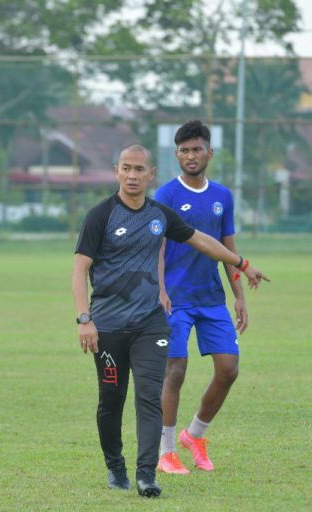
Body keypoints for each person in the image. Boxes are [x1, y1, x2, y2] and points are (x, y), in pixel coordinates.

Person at [71, 144, 268, 498]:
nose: (132, 176)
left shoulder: (160, 215)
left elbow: (203, 242)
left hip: (151, 324)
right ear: (117, 170)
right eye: (126, 168)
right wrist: (85, 319)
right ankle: (115, 465)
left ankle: (148, 473)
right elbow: (80, 268)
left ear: (151, 175)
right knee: (111, 401)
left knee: (150, 396)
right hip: (109, 326)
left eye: (139, 170)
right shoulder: (100, 215)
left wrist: (240, 263)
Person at [154, 119, 259, 474]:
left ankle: (195, 434)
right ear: (176, 155)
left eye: (197, 149)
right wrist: (161, 290)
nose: (191, 155)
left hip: (211, 298)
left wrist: (239, 296)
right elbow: (158, 249)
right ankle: (166, 450)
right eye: (184, 150)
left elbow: (228, 248)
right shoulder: (166, 195)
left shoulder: (222, 197)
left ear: (209, 153)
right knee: (175, 370)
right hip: (176, 299)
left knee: (229, 370)